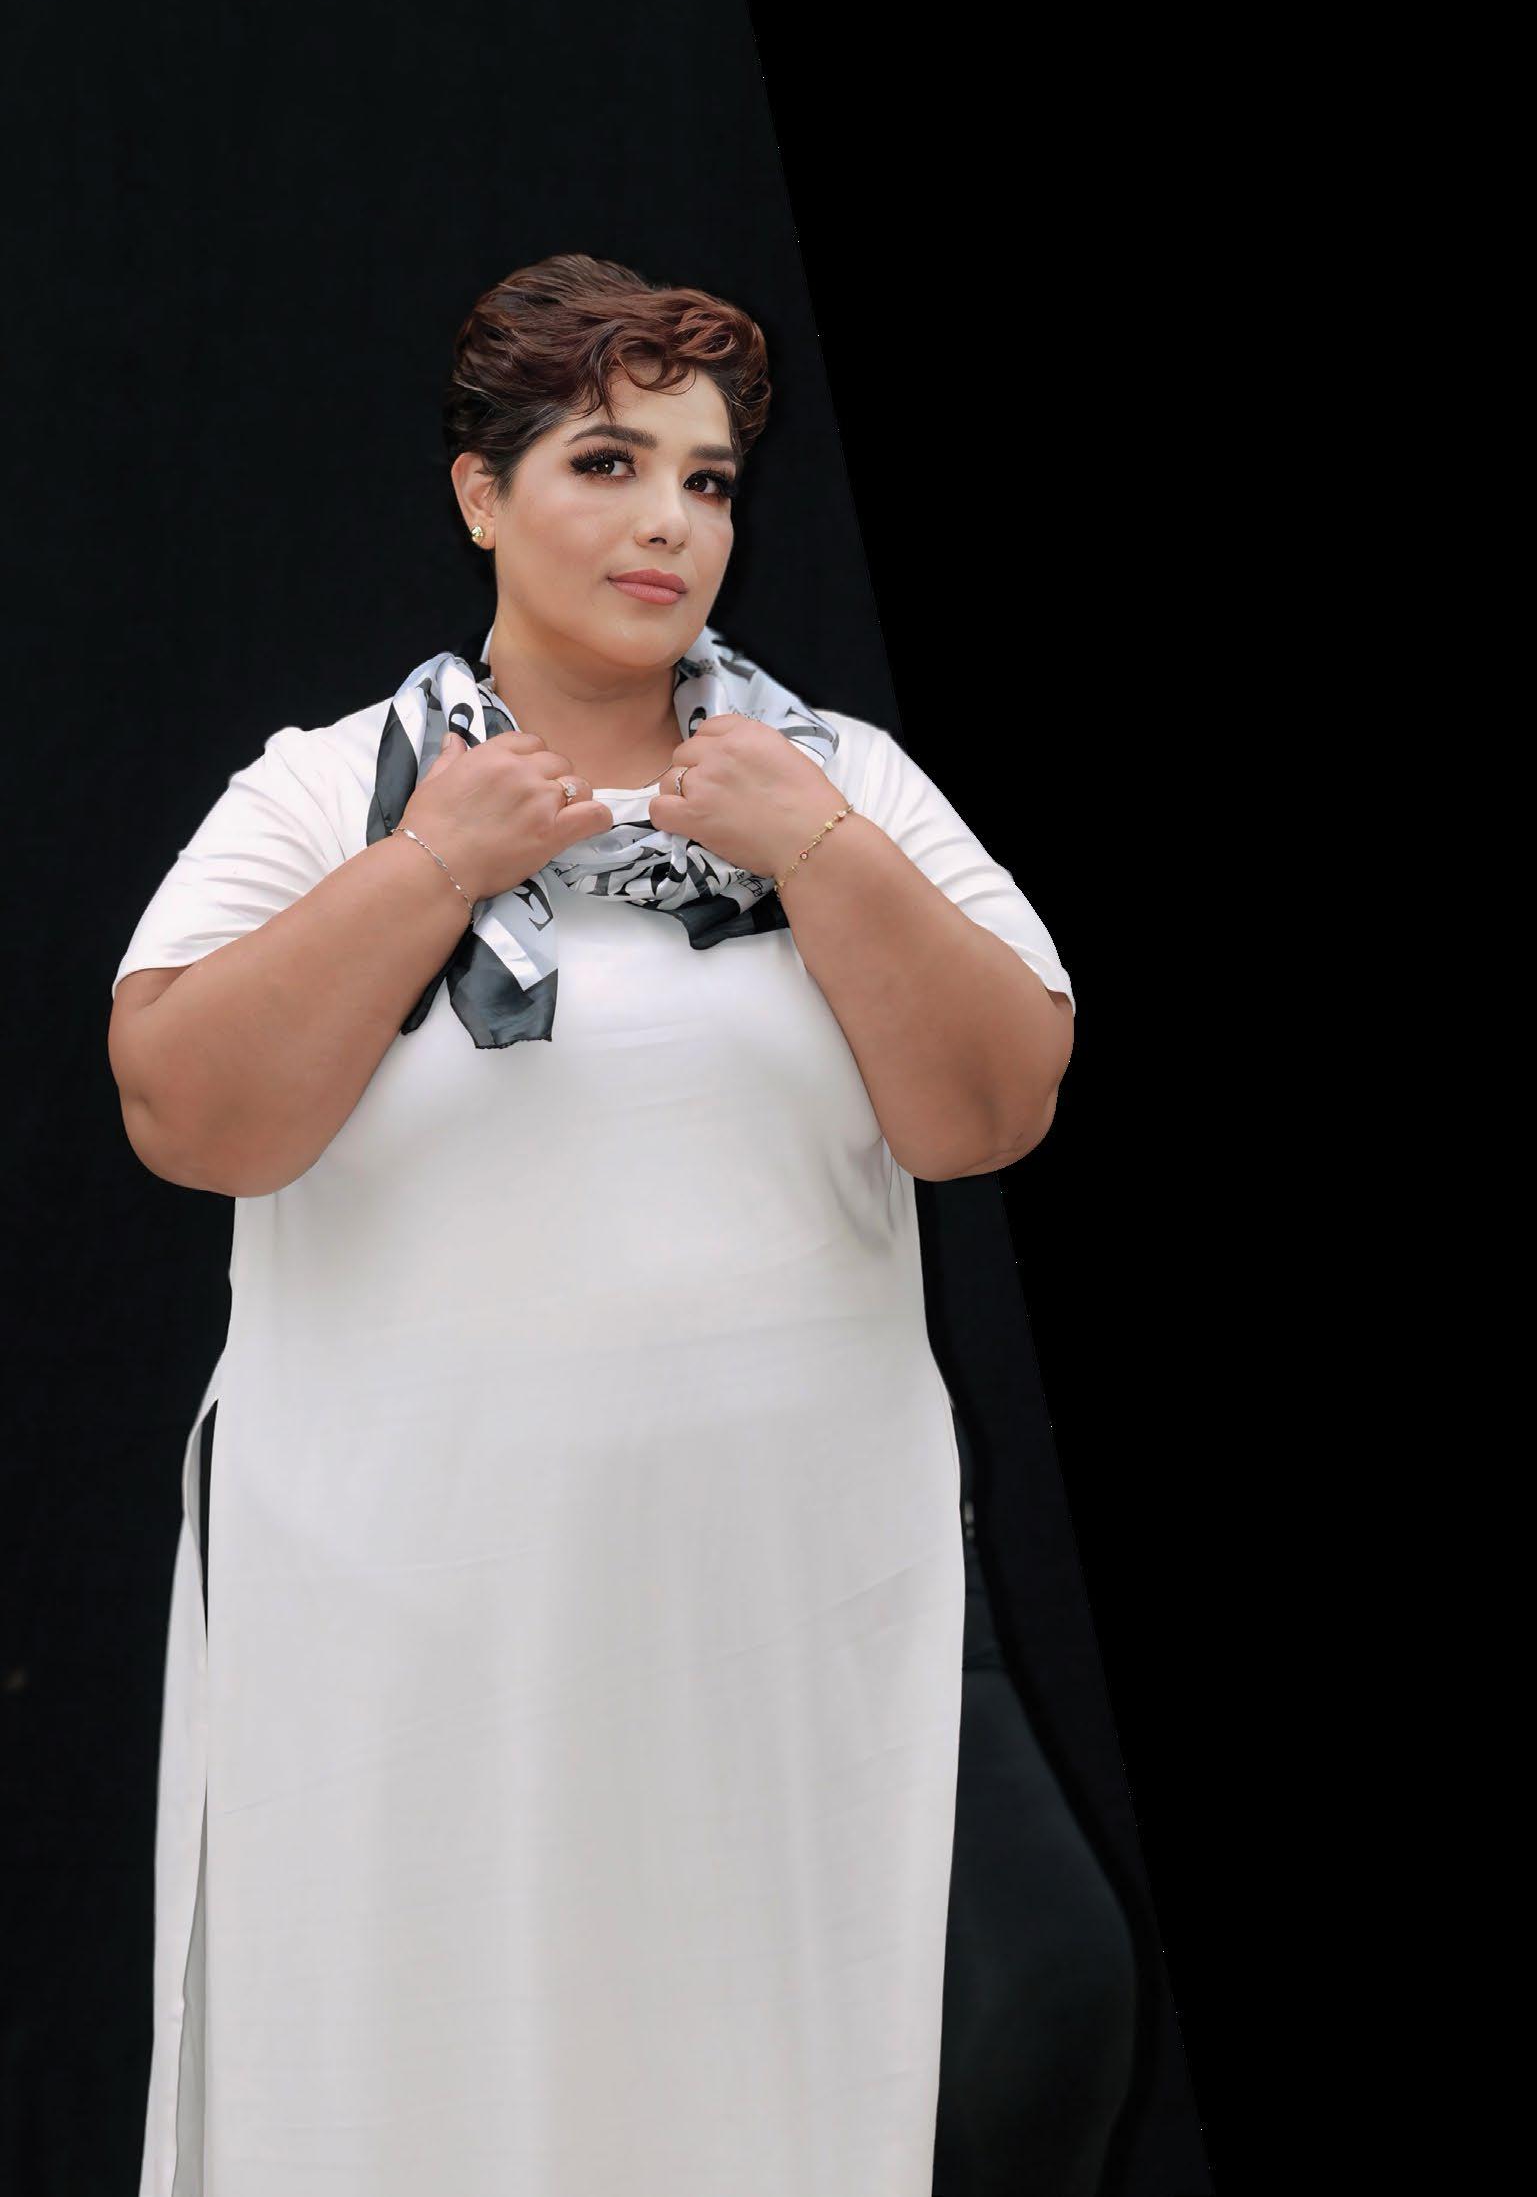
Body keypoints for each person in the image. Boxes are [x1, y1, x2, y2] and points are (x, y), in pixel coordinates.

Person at [108, 254, 1084, 2197]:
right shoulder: (328, 792)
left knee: (832, 2058)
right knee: (435, 2082)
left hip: (779, 1602)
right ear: (479, 493)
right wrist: (436, 864)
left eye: (707, 480)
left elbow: (986, 1111)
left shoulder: (844, 784)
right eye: (606, 462)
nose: (669, 522)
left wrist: (809, 845)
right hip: (420, 1614)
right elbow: (191, 1118)